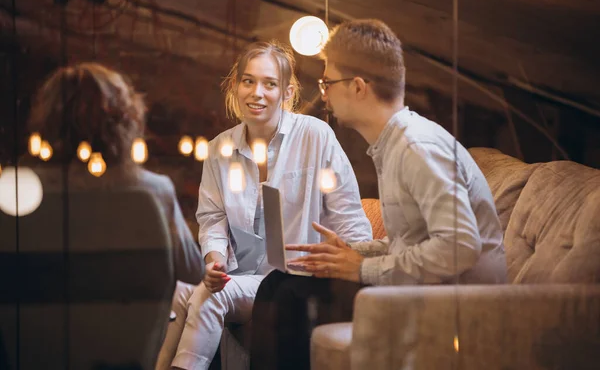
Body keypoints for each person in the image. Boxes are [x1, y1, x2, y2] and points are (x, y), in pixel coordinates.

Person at [250, 19, 507, 370]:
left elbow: (460, 246)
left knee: (289, 295)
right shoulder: (394, 145)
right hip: (424, 292)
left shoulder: (417, 147)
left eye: (327, 82)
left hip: (457, 310)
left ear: (358, 87)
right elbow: (415, 241)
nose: (323, 93)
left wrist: (365, 268)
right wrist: (353, 253)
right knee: (281, 284)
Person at [156, 40, 372, 370]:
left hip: (290, 280)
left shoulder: (315, 135)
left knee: (211, 297)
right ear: (235, 86)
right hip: (237, 273)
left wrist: (355, 268)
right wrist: (213, 261)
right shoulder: (219, 148)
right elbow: (212, 217)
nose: (257, 93)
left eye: (270, 84)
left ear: (287, 92)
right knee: (179, 291)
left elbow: (349, 216)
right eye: (248, 81)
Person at [26, 62, 206, 368]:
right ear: (124, 118)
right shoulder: (153, 190)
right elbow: (192, 270)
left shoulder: (23, 192)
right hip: (126, 358)